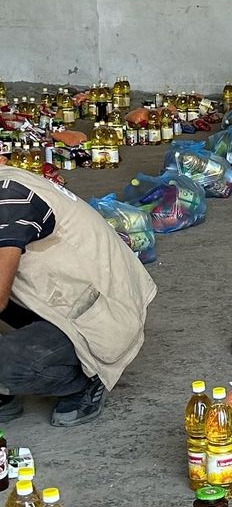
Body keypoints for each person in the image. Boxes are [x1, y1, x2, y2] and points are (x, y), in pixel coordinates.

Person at [0, 170, 156, 426]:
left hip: (102, 313)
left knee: (8, 364)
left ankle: (86, 379)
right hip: (61, 295)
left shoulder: (8, 199)